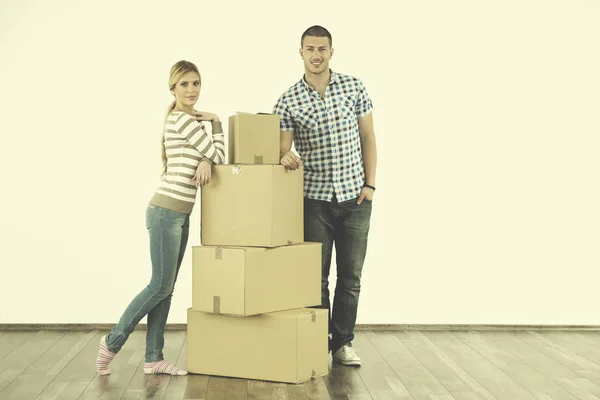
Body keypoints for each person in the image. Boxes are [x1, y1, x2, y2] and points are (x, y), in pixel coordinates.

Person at [96, 60, 225, 376]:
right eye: (184, 84)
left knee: (166, 288)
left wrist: (207, 158)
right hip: (165, 213)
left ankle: (153, 358)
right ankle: (112, 342)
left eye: (196, 83)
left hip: (179, 215)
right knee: (159, 286)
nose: (191, 90)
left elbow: (214, 157)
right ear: (173, 88)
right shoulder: (182, 120)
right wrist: (217, 123)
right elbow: (221, 155)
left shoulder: (188, 121)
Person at [273, 25, 377, 367]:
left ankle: (343, 343)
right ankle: (319, 341)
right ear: (300, 53)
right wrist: (282, 154)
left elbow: (368, 138)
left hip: (356, 199)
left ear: (331, 51)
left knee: (351, 278)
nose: (316, 55)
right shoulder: (288, 100)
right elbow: (281, 148)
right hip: (314, 199)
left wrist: (370, 186)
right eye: (310, 49)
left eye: (322, 48)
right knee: (315, 278)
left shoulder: (353, 87)